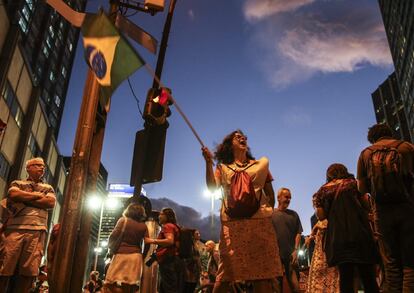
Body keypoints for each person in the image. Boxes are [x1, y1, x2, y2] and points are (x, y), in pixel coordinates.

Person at [202, 130, 282, 293]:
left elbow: (270, 194)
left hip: (259, 225)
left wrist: (266, 214)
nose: (242, 138)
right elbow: (212, 187)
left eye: (243, 136)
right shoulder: (223, 168)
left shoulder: (260, 165)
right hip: (233, 227)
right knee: (225, 275)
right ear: (229, 144)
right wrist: (208, 163)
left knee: (262, 275)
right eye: (237, 136)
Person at [357, 123, 414, 292]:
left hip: (382, 212)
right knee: (410, 261)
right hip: (407, 208)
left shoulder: (366, 154)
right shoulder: (406, 147)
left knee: (391, 263)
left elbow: (362, 189)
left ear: (372, 138)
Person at [314, 163, 379, 293]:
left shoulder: (323, 191)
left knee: (345, 278)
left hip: (338, 239)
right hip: (360, 235)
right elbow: (367, 205)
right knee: (368, 277)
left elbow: (321, 216)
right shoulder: (353, 184)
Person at [0, 157, 56, 293]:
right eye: (37, 165)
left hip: (37, 230)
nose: (41, 168)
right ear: (28, 168)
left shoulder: (48, 187)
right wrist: (38, 196)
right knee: (5, 267)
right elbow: (13, 194)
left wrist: (25, 197)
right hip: (14, 229)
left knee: (29, 270)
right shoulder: (17, 183)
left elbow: (50, 203)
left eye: (43, 166)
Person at [103, 203, 149, 293]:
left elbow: (113, 236)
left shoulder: (123, 221)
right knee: (129, 284)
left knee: (109, 282)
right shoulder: (144, 226)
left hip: (121, 255)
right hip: (136, 257)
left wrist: (110, 248)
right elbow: (147, 243)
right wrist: (143, 255)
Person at [271, 187, 303, 292]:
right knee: (276, 287)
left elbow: (298, 233)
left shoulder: (294, 215)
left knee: (296, 286)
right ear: (278, 198)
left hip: (290, 254)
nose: (288, 199)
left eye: (290, 198)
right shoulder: (271, 214)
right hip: (275, 255)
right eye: (286, 197)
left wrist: (295, 250)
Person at [146, 207, 184, 293]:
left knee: (170, 288)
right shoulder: (175, 226)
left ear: (167, 216)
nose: (159, 216)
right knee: (166, 287)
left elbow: (170, 241)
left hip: (168, 261)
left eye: (161, 214)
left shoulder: (168, 226)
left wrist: (151, 240)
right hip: (174, 259)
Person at [305, 217, 340, 293]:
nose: (316, 211)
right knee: (316, 280)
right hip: (319, 255)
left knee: (331, 280)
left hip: (328, 256)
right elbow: (314, 234)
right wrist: (310, 237)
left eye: (318, 206)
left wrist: (317, 227)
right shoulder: (318, 222)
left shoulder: (330, 220)